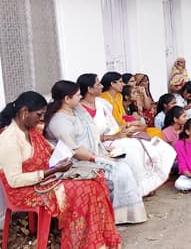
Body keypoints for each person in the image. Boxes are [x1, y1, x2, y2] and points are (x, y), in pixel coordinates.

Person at [0, 91, 121, 248]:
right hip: (26, 191)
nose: (41, 119)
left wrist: (62, 158)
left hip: (45, 180)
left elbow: (50, 151)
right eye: (39, 115)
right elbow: (15, 181)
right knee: (84, 190)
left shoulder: (30, 132)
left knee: (95, 180)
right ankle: (83, 243)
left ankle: (96, 240)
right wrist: (52, 171)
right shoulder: (9, 140)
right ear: (24, 112)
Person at [44, 80, 147, 224]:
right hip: (76, 163)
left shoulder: (76, 110)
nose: (81, 98)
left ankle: (122, 214)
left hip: (94, 155)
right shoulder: (59, 122)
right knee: (120, 170)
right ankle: (118, 216)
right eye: (78, 95)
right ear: (67, 99)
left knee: (126, 163)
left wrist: (104, 150)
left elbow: (92, 134)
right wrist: (99, 158)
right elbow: (74, 150)